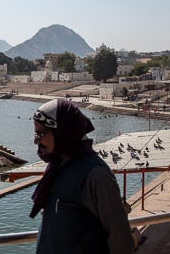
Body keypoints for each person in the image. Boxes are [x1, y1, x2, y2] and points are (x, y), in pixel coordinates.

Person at [29, 99, 134, 253]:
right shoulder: (57, 167)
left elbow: (121, 241)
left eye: (40, 134)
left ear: (62, 132)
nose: (36, 140)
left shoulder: (96, 174)